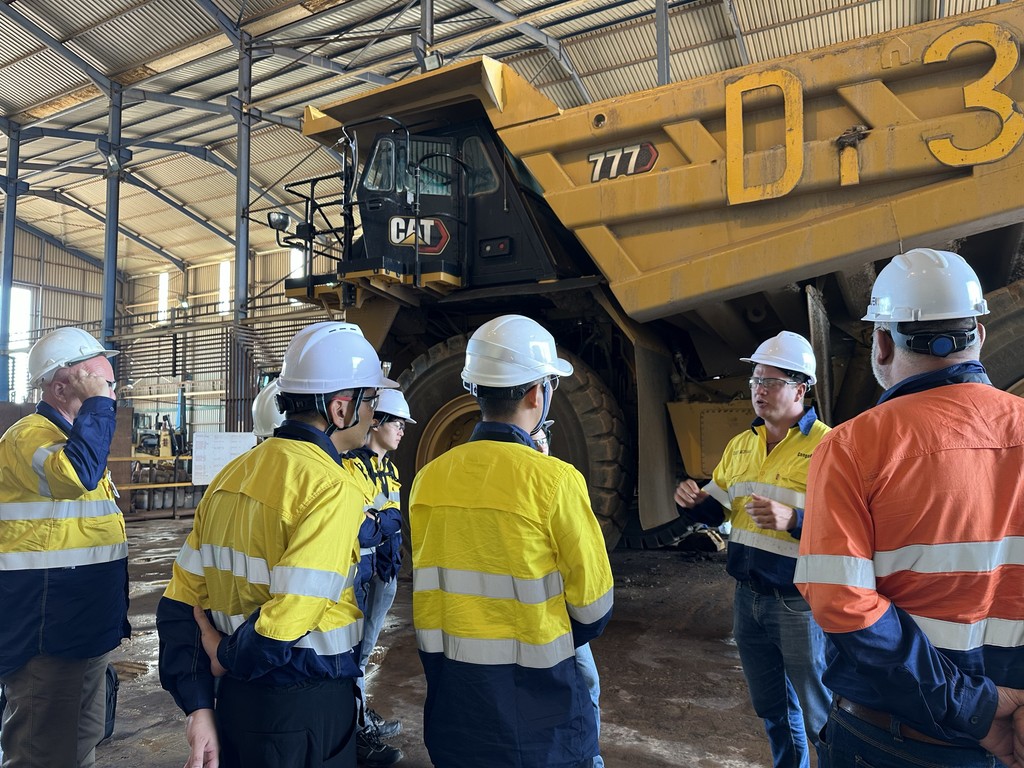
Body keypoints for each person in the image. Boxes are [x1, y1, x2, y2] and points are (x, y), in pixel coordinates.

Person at [794, 248, 1024, 768]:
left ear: (880, 342)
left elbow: (841, 606)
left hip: (895, 742)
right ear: (980, 336)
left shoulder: (855, 448)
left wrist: (975, 708)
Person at [156, 321, 399, 768]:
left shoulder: (231, 476)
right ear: (342, 408)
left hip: (235, 708)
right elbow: (289, 617)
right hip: (303, 712)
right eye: (371, 403)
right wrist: (226, 657)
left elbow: (179, 603)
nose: (374, 417)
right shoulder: (331, 487)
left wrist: (198, 705)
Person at [409, 314, 613, 768]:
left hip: (455, 710)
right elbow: (594, 609)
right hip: (542, 715)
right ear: (538, 392)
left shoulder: (428, 479)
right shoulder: (555, 481)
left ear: (475, 389)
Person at [673, 330, 831, 768]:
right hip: (748, 599)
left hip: (799, 602)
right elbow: (719, 513)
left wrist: (794, 520)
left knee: (820, 713)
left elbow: (850, 528)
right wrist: (694, 504)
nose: (759, 390)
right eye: (755, 381)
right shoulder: (741, 444)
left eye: (771, 382)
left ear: (800, 388)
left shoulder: (828, 446)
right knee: (773, 710)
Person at [0, 327, 128, 768]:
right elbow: (74, 476)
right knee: (42, 747)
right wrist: (98, 405)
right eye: (101, 383)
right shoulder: (29, 438)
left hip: (83, 623)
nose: (110, 394)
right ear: (60, 386)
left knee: (82, 738)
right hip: (46, 629)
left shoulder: (77, 440)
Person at [530, 419, 606, 768]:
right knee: (579, 686)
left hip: (554, 620)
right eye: (535, 439)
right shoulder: (557, 483)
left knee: (585, 682)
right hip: (552, 623)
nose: (542, 446)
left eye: (544, 439)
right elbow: (594, 602)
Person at [349, 390, 415, 729]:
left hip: (385, 570)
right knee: (351, 648)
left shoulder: (389, 470)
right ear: (375, 423)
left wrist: (383, 521)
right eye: (397, 424)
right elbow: (361, 528)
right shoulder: (352, 466)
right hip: (359, 570)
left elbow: (391, 519)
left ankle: (358, 715)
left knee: (365, 647)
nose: (402, 431)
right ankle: (355, 724)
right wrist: (383, 521)